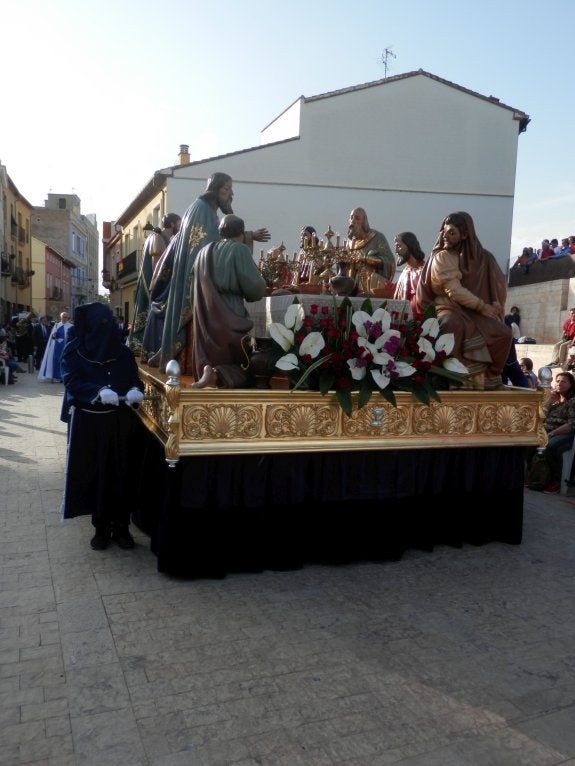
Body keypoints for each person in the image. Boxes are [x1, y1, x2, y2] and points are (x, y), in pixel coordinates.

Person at [154, 172, 270, 373]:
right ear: (214, 189)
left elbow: (217, 240)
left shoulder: (203, 210)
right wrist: (246, 238)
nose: (231, 194)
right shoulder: (202, 210)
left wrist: (248, 235)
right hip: (208, 294)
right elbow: (212, 248)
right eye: (227, 189)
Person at [60, 303, 145, 551]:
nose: (106, 329)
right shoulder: (74, 351)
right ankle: (100, 527)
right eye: (102, 324)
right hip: (90, 425)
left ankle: (122, 526)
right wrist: (97, 391)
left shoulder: (123, 352)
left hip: (120, 422)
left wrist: (135, 389)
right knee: (97, 475)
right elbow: (71, 381)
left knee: (122, 473)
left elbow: (133, 377)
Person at [416, 211, 513, 390]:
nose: (445, 236)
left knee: (504, 334)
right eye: (444, 232)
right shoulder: (442, 257)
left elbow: (496, 284)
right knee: (451, 323)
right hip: (446, 307)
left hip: (473, 312)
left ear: (465, 235)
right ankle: (455, 378)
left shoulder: (483, 258)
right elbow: (453, 290)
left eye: (452, 232)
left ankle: (490, 378)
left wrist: (495, 303)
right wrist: (481, 306)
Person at [190, 214, 267, 388]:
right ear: (241, 233)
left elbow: (192, 286)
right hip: (230, 311)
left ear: (220, 232)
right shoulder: (239, 249)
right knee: (237, 358)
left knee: (212, 351)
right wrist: (262, 284)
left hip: (205, 312)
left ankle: (209, 371)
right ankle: (217, 375)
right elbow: (255, 288)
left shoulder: (203, 252)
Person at [128, 212, 182, 357]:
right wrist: (159, 286)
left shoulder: (164, 238)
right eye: (179, 223)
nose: (181, 226)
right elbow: (157, 265)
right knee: (152, 313)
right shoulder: (157, 237)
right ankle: (146, 345)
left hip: (155, 283)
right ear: (172, 224)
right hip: (153, 284)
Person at [526, 371, 575, 494]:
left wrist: (552, 434)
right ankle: (534, 477)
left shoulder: (572, 401)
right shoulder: (555, 400)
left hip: (564, 433)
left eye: (564, 382)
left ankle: (557, 480)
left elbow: (571, 425)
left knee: (549, 446)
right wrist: (549, 402)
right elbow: (541, 417)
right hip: (547, 431)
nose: (559, 384)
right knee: (528, 443)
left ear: (571, 385)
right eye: (558, 381)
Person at [344, 207, 395, 295]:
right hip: (351, 286)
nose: (353, 221)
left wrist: (366, 259)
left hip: (370, 285)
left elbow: (389, 263)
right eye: (351, 218)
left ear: (364, 221)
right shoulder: (349, 242)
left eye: (357, 218)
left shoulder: (377, 237)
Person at [393, 231, 426, 319]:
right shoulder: (405, 271)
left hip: (419, 320)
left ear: (409, 245)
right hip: (403, 319)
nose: (396, 251)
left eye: (399, 246)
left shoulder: (423, 271)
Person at [38, 311, 72, 382]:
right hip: (58, 346)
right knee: (57, 360)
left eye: (66, 317)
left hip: (67, 346)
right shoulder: (57, 325)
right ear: (61, 317)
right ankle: (57, 376)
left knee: (66, 360)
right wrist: (55, 335)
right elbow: (52, 337)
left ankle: (66, 376)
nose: (65, 318)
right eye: (64, 317)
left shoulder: (71, 326)